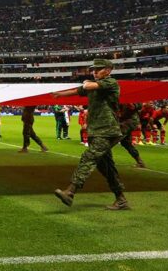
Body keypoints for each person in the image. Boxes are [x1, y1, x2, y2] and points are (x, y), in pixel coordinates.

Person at [52, 59, 130, 210]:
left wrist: (87, 82)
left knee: (89, 157)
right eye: (93, 69)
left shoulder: (111, 83)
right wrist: (59, 94)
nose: (94, 72)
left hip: (107, 130)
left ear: (108, 70)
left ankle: (70, 191)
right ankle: (121, 199)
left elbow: (86, 86)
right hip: (96, 130)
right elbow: (78, 90)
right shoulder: (94, 85)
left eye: (98, 69)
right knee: (106, 167)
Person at [118, 103, 146, 168]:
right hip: (126, 122)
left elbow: (137, 106)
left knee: (110, 140)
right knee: (126, 143)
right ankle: (140, 162)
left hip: (128, 123)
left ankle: (97, 159)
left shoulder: (130, 100)